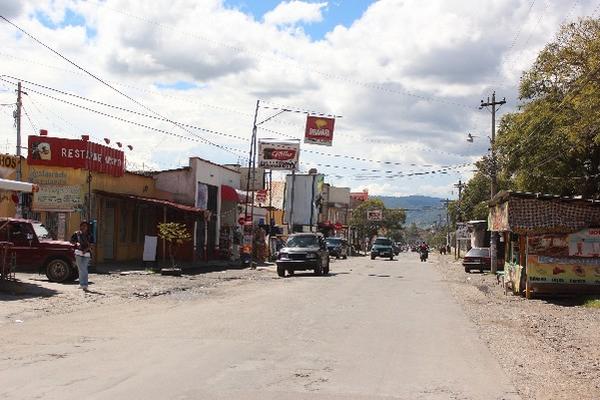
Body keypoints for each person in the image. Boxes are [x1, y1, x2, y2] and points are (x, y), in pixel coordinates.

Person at [70, 221, 92, 291]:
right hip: (78, 253)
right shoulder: (76, 234)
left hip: (87, 254)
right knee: (81, 269)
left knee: (84, 268)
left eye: (85, 226)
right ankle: (82, 284)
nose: (84, 227)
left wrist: (86, 249)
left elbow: (92, 244)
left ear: (87, 227)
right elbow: (71, 241)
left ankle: (84, 284)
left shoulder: (90, 235)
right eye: (82, 226)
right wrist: (76, 243)